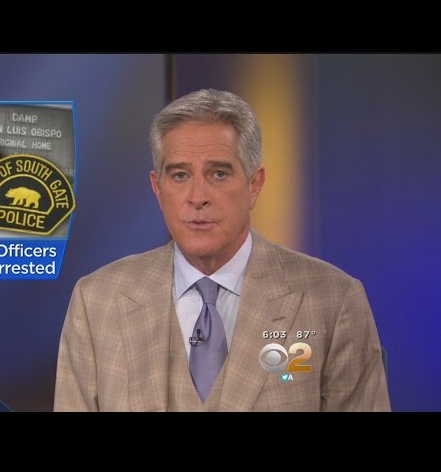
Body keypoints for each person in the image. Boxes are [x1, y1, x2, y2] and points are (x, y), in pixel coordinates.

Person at [54, 89, 390, 411]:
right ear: (157, 188)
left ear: (254, 185)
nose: (197, 197)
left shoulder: (334, 300)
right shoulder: (96, 302)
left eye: (218, 173)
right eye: (180, 175)